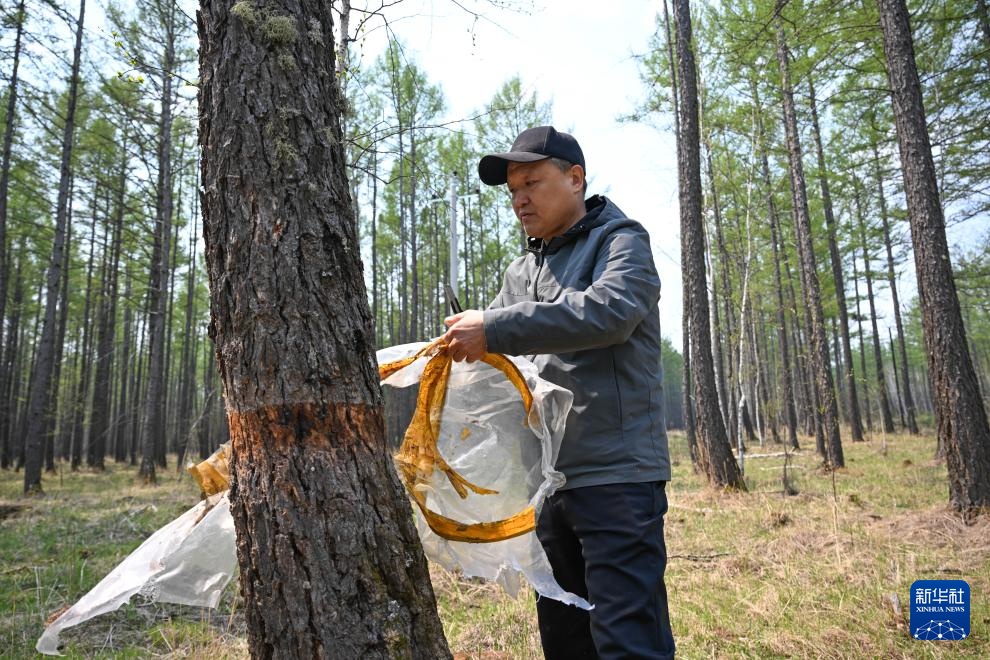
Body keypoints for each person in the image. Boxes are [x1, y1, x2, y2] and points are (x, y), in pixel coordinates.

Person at [442, 125, 675, 659]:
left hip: (615, 478)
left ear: (575, 178)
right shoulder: (523, 270)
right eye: (513, 191)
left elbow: (609, 313)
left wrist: (493, 328)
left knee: (627, 641)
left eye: (532, 183)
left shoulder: (620, 242)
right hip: (547, 485)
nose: (520, 200)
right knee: (566, 640)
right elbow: (498, 358)